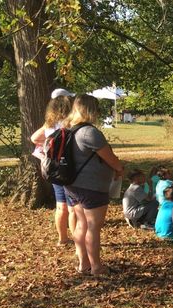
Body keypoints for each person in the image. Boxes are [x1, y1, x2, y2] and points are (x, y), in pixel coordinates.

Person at [63, 94, 123, 276]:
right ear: (91, 110)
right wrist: (120, 168)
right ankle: (97, 267)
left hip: (72, 185)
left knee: (82, 225)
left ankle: (84, 264)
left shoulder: (69, 129)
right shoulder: (89, 132)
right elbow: (111, 159)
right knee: (93, 227)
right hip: (91, 187)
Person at [30, 93, 75, 246]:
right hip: (69, 169)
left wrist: (49, 144)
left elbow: (34, 138)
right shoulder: (71, 124)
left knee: (60, 206)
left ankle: (62, 239)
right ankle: (78, 241)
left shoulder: (50, 125)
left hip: (54, 169)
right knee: (73, 208)